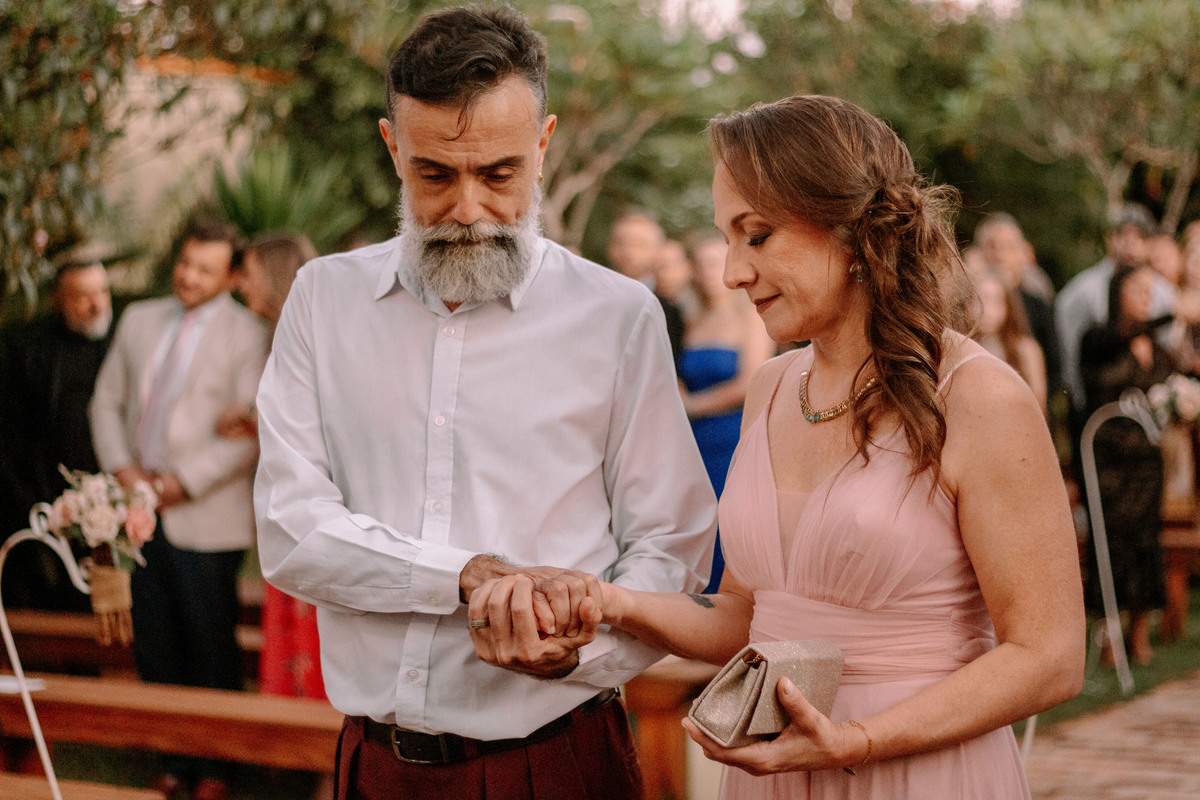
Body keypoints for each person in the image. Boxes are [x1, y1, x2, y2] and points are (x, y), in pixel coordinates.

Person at [252, 7, 716, 799]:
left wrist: (582, 650)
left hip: (557, 761)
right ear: (393, 147)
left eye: (499, 174)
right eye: (435, 174)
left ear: (543, 145)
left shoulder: (618, 317)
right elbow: (291, 526)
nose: (467, 207)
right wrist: (463, 576)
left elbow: (671, 545)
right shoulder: (322, 300)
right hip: (373, 765)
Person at [562, 95, 1083, 798]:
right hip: (776, 775)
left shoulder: (978, 398)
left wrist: (857, 740)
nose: (732, 272)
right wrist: (608, 600)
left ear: (851, 229)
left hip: (918, 774)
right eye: (726, 239)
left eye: (756, 236)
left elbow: (1050, 657)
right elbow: (748, 614)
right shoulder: (771, 389)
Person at [90, 219, 270, 800]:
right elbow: (105, 403)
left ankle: (218, 767)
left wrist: (178, 484)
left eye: (204, 269)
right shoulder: (139, 318)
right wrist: (126, 474)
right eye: (185, 262)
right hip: (135, 510)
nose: (188, 276)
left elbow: (252, 433)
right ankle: (172, 760)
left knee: (208, 643)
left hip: (206, 516)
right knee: (154, 639)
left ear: (233, 276)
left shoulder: (250, 334)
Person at [217, 231, 326, 700]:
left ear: (276, 276)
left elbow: (310, 413)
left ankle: (312, 726)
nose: (242, 285)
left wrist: (249, 414)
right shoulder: (275, 334)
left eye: (250, 274)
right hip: (283, 508)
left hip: (313, 508)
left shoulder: (312, 334)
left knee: (313, 627)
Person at [0, 257, 113, 611]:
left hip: (109, 498)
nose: (97, 305)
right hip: (38, 497)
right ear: (57, 300)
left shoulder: (122, 343)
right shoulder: (23, 348)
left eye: (103, 292)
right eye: (83, 295)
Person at [1079, 264, 1173, 666]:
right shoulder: (1098, 339)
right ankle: (1108, 636)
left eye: (1151, 291)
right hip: (1108, 459)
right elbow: (1094, 384)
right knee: (1111, 541)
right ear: (1118, 292)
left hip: (1147, 461)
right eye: (1138, 289)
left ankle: (1139, 632)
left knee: (1146, 541)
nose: (1146, 298)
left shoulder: (1157, 345)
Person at [679, 234, 775, 590]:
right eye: (700, 264)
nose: (707, 272)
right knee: (695, 528)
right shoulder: (695, 319)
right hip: (693, 443)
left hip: (732, 439)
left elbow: (751, 382)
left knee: (727, 529)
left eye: (714, 263)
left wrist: (691, 406)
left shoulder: (751, 315)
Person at [1056, 204, 1174, 414]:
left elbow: (1168, 346)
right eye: (1123, 235)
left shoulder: (1164, 293)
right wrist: (1074, 395)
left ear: (1150, 243)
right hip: (1095, 401)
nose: (1131, 244)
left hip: (1147, 407)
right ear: (1110, 239)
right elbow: (1068, 344)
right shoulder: (1082, 291)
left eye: (1140, 237)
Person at [973, 213, 1060, 399]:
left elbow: (1054, 367)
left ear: (1022, 253)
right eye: (992, 246)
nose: (1000, 255)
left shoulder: (1039, 306)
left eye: (1008, 247)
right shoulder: (966, 303)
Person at [607, 211, 687, 369]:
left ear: (658, 252)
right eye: (621, 243)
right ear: (610, 248)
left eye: (640, 245)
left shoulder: (670, 310)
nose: (629, 251)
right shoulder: (595, 298)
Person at [970, 269, 1048, 414]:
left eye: (996, 301)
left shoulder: (1026, 350)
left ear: (1008, 306)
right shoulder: (962, 350)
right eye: (980, 300)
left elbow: (1038, 407)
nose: (987, 310)